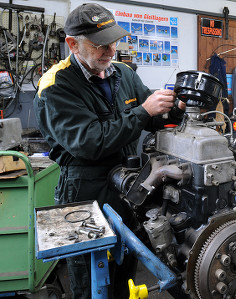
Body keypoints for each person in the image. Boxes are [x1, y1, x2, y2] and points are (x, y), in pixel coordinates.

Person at [33, 3, 185, 299]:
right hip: (85, 189)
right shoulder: (56, 85)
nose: (110, 50)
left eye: (113, 41)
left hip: (129, 185)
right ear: (73, 44)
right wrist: (143, 112)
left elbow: (154, 118)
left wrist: (175, 108)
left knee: (125, 268)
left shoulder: (123, 74)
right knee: (91, 278)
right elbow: (89, 142)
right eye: (100, 44)